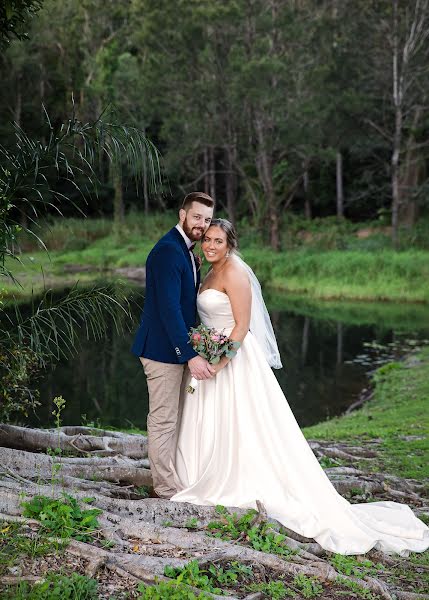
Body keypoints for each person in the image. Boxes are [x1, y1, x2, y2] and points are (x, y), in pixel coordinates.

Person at [171, 218, 429, 556]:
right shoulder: (209, 270)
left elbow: (242, 326)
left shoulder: (234, 272)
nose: (210, 245)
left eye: (218, 241)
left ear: (230, 244)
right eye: (207, 239)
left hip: (234, 361)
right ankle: (199, 470)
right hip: (210, 355)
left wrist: (219, 363)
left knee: (245, 424)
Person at [131, 192, 215, 499]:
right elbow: (168, 309)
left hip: (175, 348)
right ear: (183, 214)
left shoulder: (187, 251)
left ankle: (176, 478)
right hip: (161, 351)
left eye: (207, 219)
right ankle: (165, 489)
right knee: (164, 419)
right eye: (197, 217)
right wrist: (189, 353)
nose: (202, 225)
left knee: (176, 418)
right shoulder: (168, 251)